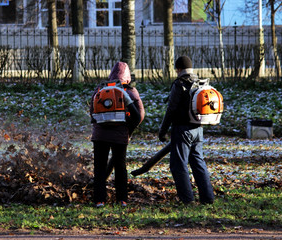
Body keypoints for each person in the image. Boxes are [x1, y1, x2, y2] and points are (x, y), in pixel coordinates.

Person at [158, 56, 214, 205]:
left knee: (178, 164)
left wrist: (162, 131)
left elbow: (171, 109)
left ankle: (187, 200)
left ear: (178, 69)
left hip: (182, 129)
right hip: (198, 128)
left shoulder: (180, 83)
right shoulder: (200, 83)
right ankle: (208, 198)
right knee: (198, 162)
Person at [90, 61, 145, 207]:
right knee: (120, 167)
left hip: (100, 135)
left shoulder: (100, 89)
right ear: (127, 77)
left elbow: (92, 112)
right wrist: (129, 128)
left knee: (99, 168)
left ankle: (99, 200)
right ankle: (122, 199)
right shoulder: (130, 92)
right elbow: (140, 115)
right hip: (120, 136)